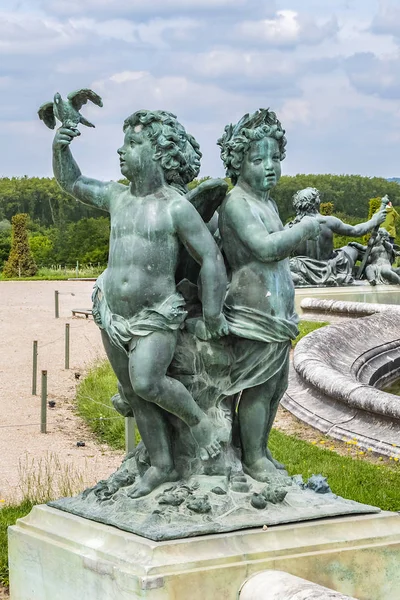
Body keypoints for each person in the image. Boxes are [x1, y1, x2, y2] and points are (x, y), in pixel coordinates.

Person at [52, 109, 229, 497]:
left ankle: (198, 422)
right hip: (112, 315)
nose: (121, 150)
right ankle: (161, 465)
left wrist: (213, 311)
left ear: (160, 154)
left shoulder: (176, 207)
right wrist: (61, 146)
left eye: (133, 144)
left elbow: (211, 258)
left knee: (147, 381)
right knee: (132, 392)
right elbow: (73, 181)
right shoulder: (117, 197)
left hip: (155, 317)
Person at [217, 109, 320, 482]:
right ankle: (252, 459)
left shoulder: (268, 203)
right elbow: (264, 248)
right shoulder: (237, 203)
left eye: (275, 157)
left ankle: (256, 449)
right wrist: (304, 227)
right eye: (258, 159)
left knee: (275, 386)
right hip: (251, 313)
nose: (270, 166)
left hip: (276, 316)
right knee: (255, 387)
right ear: (238, 162)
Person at [287, 187, 386, 286]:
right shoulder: (328, 221)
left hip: (304, 271)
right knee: (352, 248)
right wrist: (374, 220)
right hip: (330, 269)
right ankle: (376, 268)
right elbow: (356, 231)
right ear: (317, 202)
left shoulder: (289, 227)